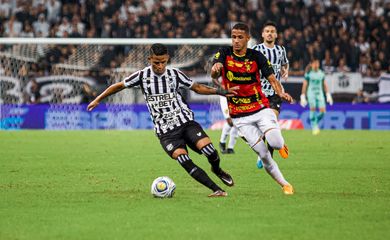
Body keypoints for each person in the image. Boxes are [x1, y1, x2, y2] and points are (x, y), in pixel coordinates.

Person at [87, 43, 236, 197]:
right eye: (156, 62)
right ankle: (217, 190)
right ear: (149, 59)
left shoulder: (175, 74)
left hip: (185, 122)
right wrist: (98, 99)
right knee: (183, 159)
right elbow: (119, 86)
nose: (160, 66)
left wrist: (221, 91)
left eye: (163, 62)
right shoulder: (142, 76)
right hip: (166, 132)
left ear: (167, 59)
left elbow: (197, 88)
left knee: (209, 150)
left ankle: (217, 169)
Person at [211, 22, 294, 195]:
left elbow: (272, 79)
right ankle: (286, 185)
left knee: (276, 143)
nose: (236, 41)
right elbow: (214, 73)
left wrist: (281, 93)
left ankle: (280, 143)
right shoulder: (224, 53)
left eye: (240, 37)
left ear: (248, 38)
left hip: (260, 108)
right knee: (263, 154)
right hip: (240, 117)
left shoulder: (257, 56)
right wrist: (215, 70)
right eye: (233, 37)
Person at [252, 21, 290, 169]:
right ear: (262, 34)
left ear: (276, 34)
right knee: (261, 128)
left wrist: (285, 70)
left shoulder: (281, 50)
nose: (269, 33)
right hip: (259, 93)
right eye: (267, 31)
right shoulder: (256, 50)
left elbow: (285, 63)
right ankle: (263, 152)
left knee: (271, 124)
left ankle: (268, 156)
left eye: (272, 31)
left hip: (275, 92)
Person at [300, 58, 333, 135]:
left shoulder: (321, 73)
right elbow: (305, 84)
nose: (316, 65)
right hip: (311, 93)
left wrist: (328, 94)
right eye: (314, 63)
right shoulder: (308, 73)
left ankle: (315, 123)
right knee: (313, 109)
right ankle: (314, 127)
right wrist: (303, 95)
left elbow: (324, 84)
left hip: (320, 94)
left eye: (317, 63)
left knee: (323, 112)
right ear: (311, 64)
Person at [213, 78, 239, 154]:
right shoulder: (221, 67)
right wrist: (222, 86)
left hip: (235, 96)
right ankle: (222, 141)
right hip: (225, 96)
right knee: (230, 121)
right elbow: (214, 79)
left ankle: (230, 147)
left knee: (236, 121)